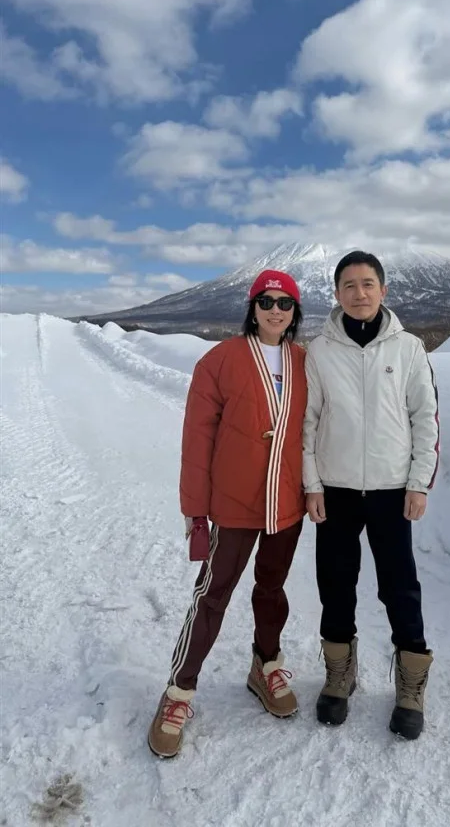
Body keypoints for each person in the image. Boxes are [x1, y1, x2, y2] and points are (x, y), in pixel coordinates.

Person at [148, 270, 308, 759]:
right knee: (213, 594)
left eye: (285, 303)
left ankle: (266, 664)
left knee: (272, 589)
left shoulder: (306, 362)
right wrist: (196, 509)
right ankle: (179, 691)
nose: (275, 310)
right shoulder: (219, 361)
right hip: (234, 502)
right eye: (266, 301)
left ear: (295, 311)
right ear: (252, 308)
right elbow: (197, 441)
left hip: (287, 501)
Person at [303, 251, 439, 741]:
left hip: (390, 489)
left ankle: (411, 685)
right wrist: (312, 484)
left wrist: (418, 482)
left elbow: (425, 418)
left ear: (383, 290)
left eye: (367, 284)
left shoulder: (408, 348)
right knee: (335, 582)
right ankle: (340, 675)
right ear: (336, 294)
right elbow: (308, 422)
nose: (359, 293)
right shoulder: (319, 350)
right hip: (336, 489)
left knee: (399, 586)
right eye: (349, 285)